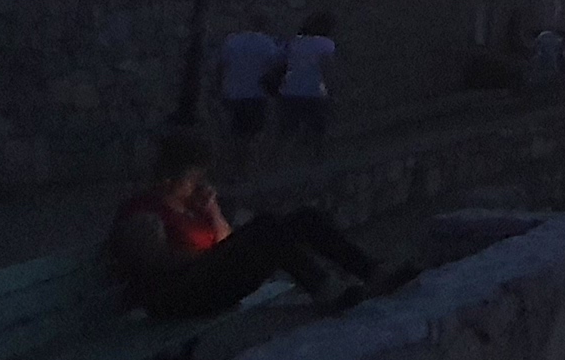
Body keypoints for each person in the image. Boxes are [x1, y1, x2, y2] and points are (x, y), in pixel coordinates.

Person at [110, 131, 401, 318]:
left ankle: (372, 271)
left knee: (304, 218)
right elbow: (154, 267)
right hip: (180, 297)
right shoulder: (144, 211)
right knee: (265, 226)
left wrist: (212, 210)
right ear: (170, 176)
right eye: (193, 178)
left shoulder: (192, 208)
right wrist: (210, 257)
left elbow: (225, 240)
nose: (198, 184)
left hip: (212, 280)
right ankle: (324, 287)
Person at [213, 14, 282, 141]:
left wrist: (219, 89)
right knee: (253, 136)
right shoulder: (268, 43)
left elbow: (221, 67)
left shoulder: (232, 41)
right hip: (256, 94)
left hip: (232, 93)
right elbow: (276, 69)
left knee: (233, 134)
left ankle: (233, 158)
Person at [274, 12, 335, 143]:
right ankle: (315, 157)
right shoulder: (326, 44)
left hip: (290, 91)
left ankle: (283, 158)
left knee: (287, 131)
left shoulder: (292, 43)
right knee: (317, 131)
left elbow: (280, 65)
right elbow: (327, 69)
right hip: (314, 92)